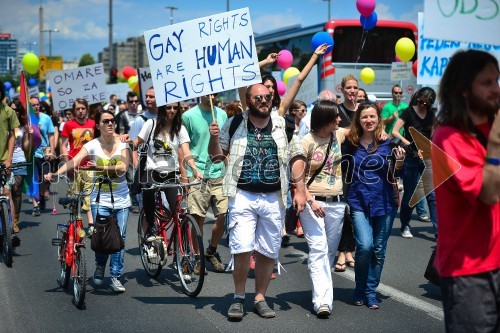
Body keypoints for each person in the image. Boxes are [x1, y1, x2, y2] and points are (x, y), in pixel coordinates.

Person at [208, 83, 307, 320]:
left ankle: (260, 298)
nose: (264, 100)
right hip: (242, 195)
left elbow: (296, 156)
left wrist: (301, 188)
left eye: (267, 97)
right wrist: (213, 139)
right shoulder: (233, 124)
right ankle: (239, 297)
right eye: (258, 97)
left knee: (268, 250)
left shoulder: (284, 125)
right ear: (249, 101)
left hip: (274, 197)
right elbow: (216, 156)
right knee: (241, 247)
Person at [432, 50, 500, 332]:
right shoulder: (449, 136)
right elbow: (488, 193)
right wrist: (495, 144)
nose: (496, 89)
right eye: (487, 83)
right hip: (470, 273)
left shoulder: (490, 127)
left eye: (497, 80)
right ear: (463, 90)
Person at [46, 110, 131, 293]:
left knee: (119, 239)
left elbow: (123, 167)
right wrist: (55, 173)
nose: (110, 124)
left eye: (112, 121)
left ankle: (115, 276)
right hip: (100, 198)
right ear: (98, 126)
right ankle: (100, 267)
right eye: (106, 121)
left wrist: (99, 166)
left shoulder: (122, 143)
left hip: (122, 199)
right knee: (101, 237)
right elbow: (74, 162)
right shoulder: (92, 145)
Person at [346, 102, 406, 309]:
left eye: (372, 117)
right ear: (358, 120)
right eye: (364, 117)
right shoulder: (350, 143)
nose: (368, 120)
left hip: (385, 202)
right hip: (358, 201)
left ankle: (370, 292)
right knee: (365, 246)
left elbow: (398, 174)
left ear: (379, 119)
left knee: (379, 250)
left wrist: (399, 163)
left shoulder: (388, 143)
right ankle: (359, 288)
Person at [300, 100, 348, 317]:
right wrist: (311, 201)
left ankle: (321, 291)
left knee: (327, 253)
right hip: (313, 204)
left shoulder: (337, 135)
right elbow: (297, 178)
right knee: (318, 249)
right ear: (324, 118)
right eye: (336, 116)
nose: (339, 119)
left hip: (337, 204)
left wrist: (383, 131)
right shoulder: (306, 141)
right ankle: (322, 301)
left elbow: (365, 126)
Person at [129, 103, 202, 245]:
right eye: (169, 107)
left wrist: (194, 169)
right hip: (152, 170)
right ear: (163, 109)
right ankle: (150, 227)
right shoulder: (151, 124)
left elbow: (186, 152)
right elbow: (136, 143)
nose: (172, 110)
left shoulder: (180, 128)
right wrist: (125, 142)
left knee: (178, 211)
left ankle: (179, 248)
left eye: (175, 108)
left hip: (171, 173)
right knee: (148, 190)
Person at [182, 93, 228, 273]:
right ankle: (198, 256)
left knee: (224, 215)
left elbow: (226, 145)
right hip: (198, 174)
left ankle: (211, 250)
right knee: (198, 219)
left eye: (213, 91)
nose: (210, 94)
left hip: (219, 173)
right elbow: (183, 146)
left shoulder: (222, 115)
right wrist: (186, 172)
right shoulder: (188, 116)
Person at [392, 87, 438, 238]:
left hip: (427, 156)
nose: (422, 105)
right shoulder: (408, 112)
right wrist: (409, 144)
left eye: (426, 104)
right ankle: (405, 225)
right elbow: (395, 131)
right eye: (420, 102)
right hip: (411, 157)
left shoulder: (431, 115)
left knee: (432, 195)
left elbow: (432, 134)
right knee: (411, 194)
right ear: (417, 97)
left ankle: (438, 231)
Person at [59, 98, 95, 225]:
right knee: (74, 197)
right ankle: (76, 224)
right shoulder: (68, 125)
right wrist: (68, 164)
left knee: (89, 195)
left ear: (87, 110)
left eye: (83, 108)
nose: (80, 111)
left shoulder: (93, 124)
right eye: (78, 109)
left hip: (90, 166)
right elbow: (63, 146)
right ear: (74, 110)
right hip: (74, 166)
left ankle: (91, 223)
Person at [0, 83, 22, 246]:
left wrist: (9, 159)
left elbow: (14, 135)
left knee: (8, 193)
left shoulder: (8, 111)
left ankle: (12, 230)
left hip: (4, 160)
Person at [9, 100, 32, 233]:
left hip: (20, 160)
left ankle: (15, 221)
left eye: (17, 110)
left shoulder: (23, 127)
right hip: (7, 161)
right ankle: (6, 219)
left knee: (16, 190)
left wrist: (28, 135)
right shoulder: (5, 124)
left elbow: (26, 147)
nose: (14, 112)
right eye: (12, 109)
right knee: (7, 192)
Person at [30, 96, 55, 216]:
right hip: (31, 153)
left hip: (44, 152)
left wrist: (52, 150)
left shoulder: (46, 118)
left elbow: (51, 135)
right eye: (33, 105)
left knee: (45, 178)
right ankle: (36, 205)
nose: (36, 107)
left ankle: (41, 194)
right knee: (34, 179)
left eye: (37, 104)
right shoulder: (27, 120)